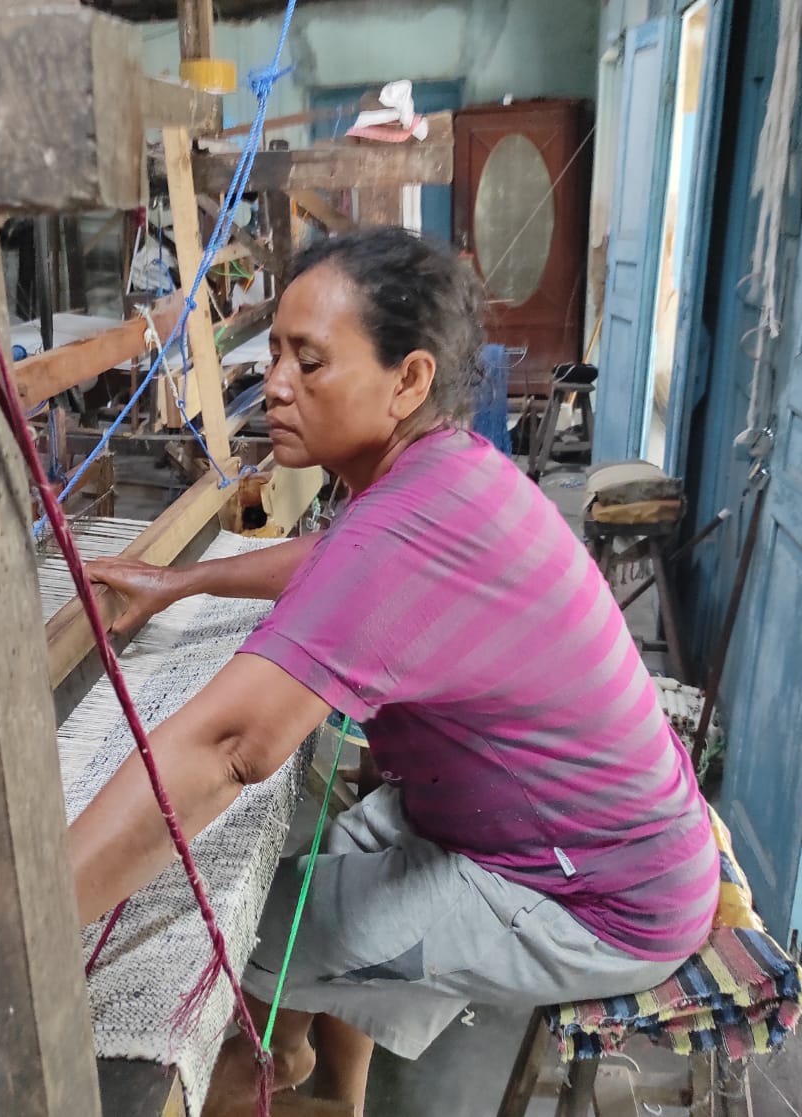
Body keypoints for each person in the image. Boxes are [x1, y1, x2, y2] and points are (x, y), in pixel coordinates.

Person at [72, 227, 719, 1116]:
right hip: (596, 837)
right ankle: (322, 1079)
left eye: (309, 360)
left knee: (248, 928)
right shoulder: (442, 475)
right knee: (336, 853)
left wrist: (10, 928)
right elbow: (332, 562)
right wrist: (180, 582)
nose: (275, 385)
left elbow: (229, 745)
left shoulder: (417, 518)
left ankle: (260, 1074)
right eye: (275, 356)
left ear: (408, 381)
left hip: (601, 894)